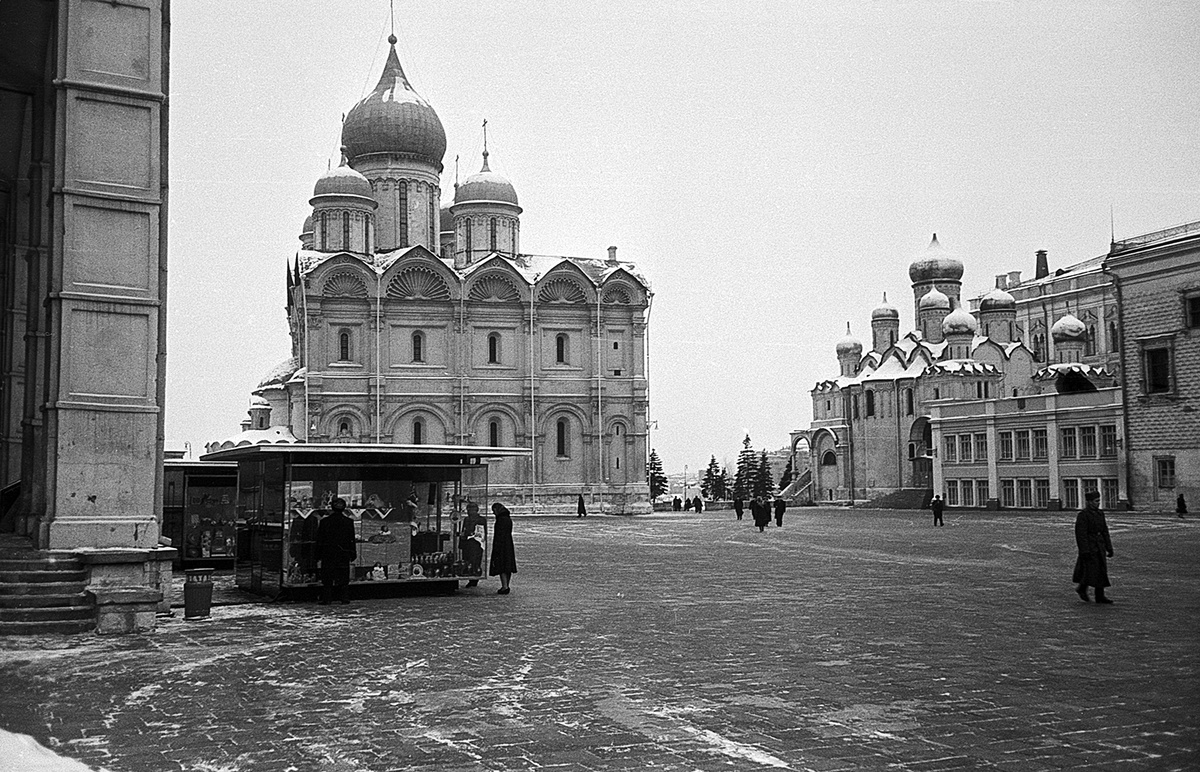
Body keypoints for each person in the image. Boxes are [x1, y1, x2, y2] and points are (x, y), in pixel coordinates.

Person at [1073, 490, 1114, 604]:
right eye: (1096, 501)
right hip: (1089, 547)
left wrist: (1109, 547)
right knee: (1090, 571)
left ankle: (1099, 595)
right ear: (1089, 502)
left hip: (1099, 546)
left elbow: (1105, 531)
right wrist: (1084, 550)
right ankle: (1083, 589)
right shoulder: (1083, 515)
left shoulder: (1100, 514)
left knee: (1100, 570)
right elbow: (1081, 535)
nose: (1098, 503)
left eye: (1099, 501)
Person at [315, 497, 357, 605]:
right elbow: (351, 539)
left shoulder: (325, 522)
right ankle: (344, 598)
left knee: (327, 576)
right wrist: (352, 552)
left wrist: (318, 554)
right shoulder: (348, 522)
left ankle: (327, 598)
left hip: (328, 552)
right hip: (343, 552)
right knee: (343, 576)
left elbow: (320, 539)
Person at [488, 502, 517, 595]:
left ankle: (504, 586)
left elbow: (499, 534)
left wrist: (496, 546)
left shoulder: (501, 520)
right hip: (508, 544)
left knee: (502, 566)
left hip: (501, 545)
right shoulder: (507, 519)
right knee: (507, 566)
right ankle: (506, 585)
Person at [460, 502, 486, 587]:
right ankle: (470, 576)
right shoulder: (466, 519)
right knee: (467, 561)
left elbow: (482, 533)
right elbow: (463, 530)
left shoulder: (481, 520)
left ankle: (474, 578)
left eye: (471, 510)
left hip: (476, 544)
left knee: (475, 561)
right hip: (467, 544)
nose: (469, 511)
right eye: (468, 509)